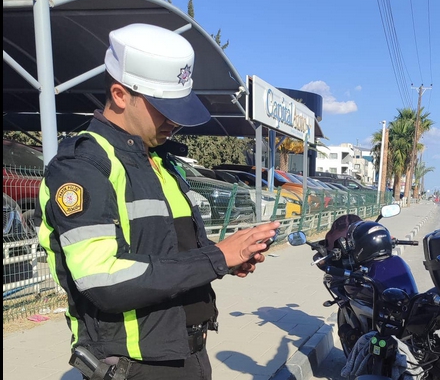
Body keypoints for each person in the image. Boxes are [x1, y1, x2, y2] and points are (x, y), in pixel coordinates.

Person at [36, 23, 279, 380]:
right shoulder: (85, 165)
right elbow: (101, 279)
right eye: (163, 107)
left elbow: (169, 252)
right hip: (134, 367)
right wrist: (215, 257)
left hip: (189, 355)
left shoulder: (160, 161)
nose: (175, 121)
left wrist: (228, 259)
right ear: (120, 94)